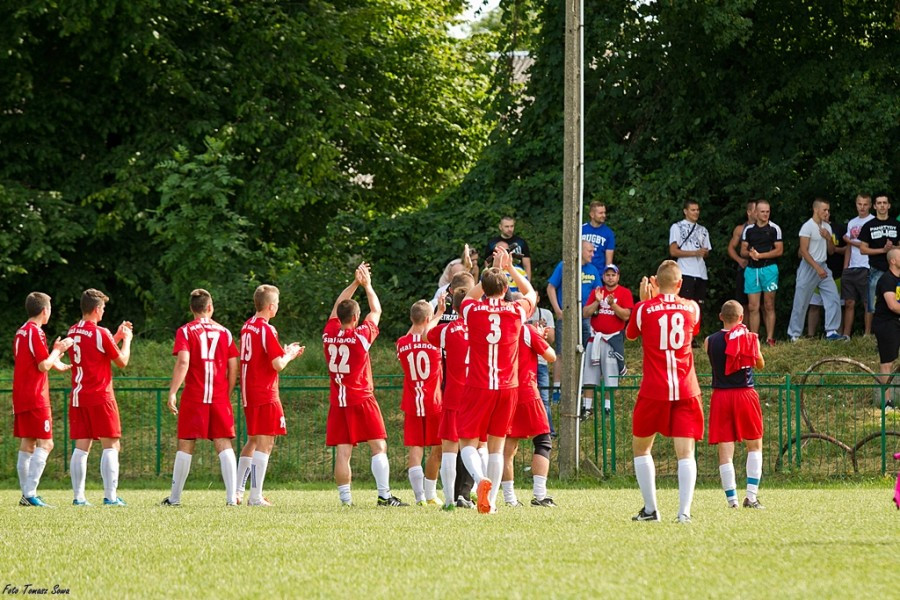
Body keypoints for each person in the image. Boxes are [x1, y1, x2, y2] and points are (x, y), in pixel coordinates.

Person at [458, 247, 536, 514]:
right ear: (505, 290)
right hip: (508, 387)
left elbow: (469, 295)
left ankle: (481, 482)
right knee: (497, 445)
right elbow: (531, 294)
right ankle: (489, 505)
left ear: (484, 286)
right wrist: (510, 269)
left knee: (467, 442)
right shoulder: (515, 312)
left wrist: (492, 274)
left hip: (478, 384)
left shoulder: (472, 310)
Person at [322, 263, 406, 507]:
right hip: (361, 397)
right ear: (356, 318)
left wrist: (354, 284)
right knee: (378, 445)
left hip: (339, 400)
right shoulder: (359, 336)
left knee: (343, 452)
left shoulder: (328, 334)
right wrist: (367, 285)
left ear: (339, 317)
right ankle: (384, 495)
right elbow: (376, 310)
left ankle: (346, 501)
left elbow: (336, 308)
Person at [625, 260, 703, 523]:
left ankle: (650, 509)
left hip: (654, 388)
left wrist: (644, 302)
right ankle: (684, 513)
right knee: (686, 453)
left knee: (641, 449)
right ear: (680, 284)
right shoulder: (692, 307)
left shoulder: (643, 309)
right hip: (685, 387)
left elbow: (632, 335)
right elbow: (691, 327)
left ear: (655, 283)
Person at [162, 289, 239, 507]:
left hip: (194, 395)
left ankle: (175, 499)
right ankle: (231, 499)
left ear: (192, 309)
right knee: (223, 443)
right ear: (210, 308)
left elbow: (183, 362)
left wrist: (173, 392)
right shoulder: (224, 332)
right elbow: (234, 365)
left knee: (186, 443)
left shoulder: (185, 331)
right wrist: (227, 390)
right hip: (218, 396)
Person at [235, 285, 305, 506]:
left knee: (254, 440)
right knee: (266, 442)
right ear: (271, 306)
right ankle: (255, 496)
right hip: (264, 391)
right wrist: (291, 354)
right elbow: (278, 364)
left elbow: (261, 356)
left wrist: (283, 352)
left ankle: (237, 491)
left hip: (249, 391)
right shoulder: (267, 329)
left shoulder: (247, 326)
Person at [67, 289, 133, 506]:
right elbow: (121, 360)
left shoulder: (72, 331)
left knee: (81, 447)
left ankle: (79, 497)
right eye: (103, 308)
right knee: (111, 445)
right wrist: (127, 340)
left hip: (79, 396)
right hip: (100, 395)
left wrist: (116, 336)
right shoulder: (100, 332)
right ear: (96, 309)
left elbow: (94, 353)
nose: (104, 312)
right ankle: (110, 497)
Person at [12, 292, 72, 507]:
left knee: (28, 442)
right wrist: (58, 350)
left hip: (21, 393)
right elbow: (42, 365)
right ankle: (30, 494)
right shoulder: (36, 333)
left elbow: (34, 361)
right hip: (36, 395)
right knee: (46, 443)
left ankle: (27, 494)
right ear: (45, 311)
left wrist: (56, 361)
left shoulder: (21, 331)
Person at [704, 300, 766, 509]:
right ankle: (751, 496)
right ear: (741, 318)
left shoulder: (709, 341)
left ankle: (732, 501)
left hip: (721, 395)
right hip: (745, 393)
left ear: (721, 317)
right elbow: (759, 363)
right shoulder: (750, 339)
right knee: (754, 445)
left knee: (725, 449)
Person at [427, 282, 476, 510]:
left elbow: (429, 334)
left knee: (449, 448)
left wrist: (439, 313)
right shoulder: (481, 328)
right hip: (476, 393)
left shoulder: (447, 330)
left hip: (453, 393)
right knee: (477, 446)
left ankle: (449, 499)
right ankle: (474, 491)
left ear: (453, 308)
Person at [501, 316, 557, 508]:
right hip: (526, 390)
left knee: (507, 448)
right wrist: (539, 338)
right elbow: (551, 356)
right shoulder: (527, 330)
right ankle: (539, 495)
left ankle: (509, 498)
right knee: (543, 440)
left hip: (503, 390)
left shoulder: (495, 329)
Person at [396, 300, 443, 506]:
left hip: (412, 401)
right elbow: (427, 333)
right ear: (427, 319)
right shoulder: (435, 342)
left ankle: (419, 498)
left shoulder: (402, 343)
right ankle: (431, 493)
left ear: (410, 318)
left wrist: (427, 316)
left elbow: (409, 338)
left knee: (415, 449)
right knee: (437, 449)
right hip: (433, 401)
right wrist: (440, 313)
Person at [786, 198, 845, 342]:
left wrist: (828, 238)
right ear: (816, 209)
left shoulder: (827, 227)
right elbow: (804, 252)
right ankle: (794, 334)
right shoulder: (807, 227)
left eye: (828, 210)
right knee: (801, 301)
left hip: (823, 266)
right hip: (809, 267)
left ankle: (831, 331)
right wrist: (817, 267)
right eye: (824, 210)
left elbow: (831, 251)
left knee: (833, 297)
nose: (827, 213)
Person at [547, 240, 601, 392]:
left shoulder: (593, 270)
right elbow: (551, 287)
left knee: (583, 352)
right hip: (566, 315)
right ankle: (558, 390)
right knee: (561, 352)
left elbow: (599, 293)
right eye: (589, 251)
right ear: (581, 250)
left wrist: (593, 309)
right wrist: (557, 310)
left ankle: (579, 388)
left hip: (585, 317)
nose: (592, 254)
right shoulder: (564, 266)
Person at [582, 264, 633, 418]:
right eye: (607, 275)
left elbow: (626, 315)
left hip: (612, 338)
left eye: (613, 275)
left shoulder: (624, 293)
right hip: (595, 338)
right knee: (589, 375)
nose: (610, 278)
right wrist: (597, 301)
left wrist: (613, 304)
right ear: (603, 277)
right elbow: (585, 313)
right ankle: (587, 408)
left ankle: (607, 408)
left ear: (618, 276)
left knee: (611, 376)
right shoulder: (596, 292)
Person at [741, 199, 783, 345]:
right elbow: (742, 250)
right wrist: (751, 254)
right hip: (752, 270)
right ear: (756, 213)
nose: (765, 214)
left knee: (769, 304)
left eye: (768, 212)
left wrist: (761, 256)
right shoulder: (748, 229)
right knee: (753, 307)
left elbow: (779, 250)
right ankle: (754, 339)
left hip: (769, 269)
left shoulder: (774, 229)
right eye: (762, 212)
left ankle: (770, 338)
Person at [859, 194, 898, 333]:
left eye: (884, 203)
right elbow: (862, 249)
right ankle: (868, 334)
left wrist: (892, 248)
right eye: (879, 203)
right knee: (872, 304)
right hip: (876, 269)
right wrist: (883, 249)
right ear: (874, 206)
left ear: (889, 205)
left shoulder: (896, 224)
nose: (882, 205)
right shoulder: (868, 226)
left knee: (896, 302)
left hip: (895, 271)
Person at [668, 200, 712, 310]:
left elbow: (707, 253)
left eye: (697, 210)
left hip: (701, 273)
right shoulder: (677, 227)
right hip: (685, 272)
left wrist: (704, 253)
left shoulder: (703, 230)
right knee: (683, 306)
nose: (696, 212)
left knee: (698, 307)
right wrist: (695, 253)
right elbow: (673, 251)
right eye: (693, 210)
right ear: (685, 211)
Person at [842, 194, 874, 337]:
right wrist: (845, 267)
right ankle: (846, 335)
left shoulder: (873, 222)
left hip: (867, 265)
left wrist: (849, 241)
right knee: (849, 302)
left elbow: (866, 245)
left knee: (867, 302)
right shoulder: (851, 222)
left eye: (865, 204)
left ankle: (867, 334)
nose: (862, 207)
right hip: (852, 266)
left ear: (870, 205)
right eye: (859, 204)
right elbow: (849, 247)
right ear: (855, 204)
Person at [807, 220, 847, 336]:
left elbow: (844, 249)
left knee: (837, 305)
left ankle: (837, 335)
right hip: (816, 273)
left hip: (836, 273)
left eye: (827, 211)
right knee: (814, 305)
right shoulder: (809, 228)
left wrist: (830, 240)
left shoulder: (839, 227)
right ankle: (810, 336)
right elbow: (801, 252)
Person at [872, 248, 900, 408]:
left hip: (897, 321)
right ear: (893, 261)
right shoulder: (887, 280)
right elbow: (893, 305)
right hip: (886, 323)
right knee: (887, 362)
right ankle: (886, 402)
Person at [526, 292, 556, 435]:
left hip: (541, 361)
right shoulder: (519, 312)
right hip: (524, 364)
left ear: (538, 298)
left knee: (544, 398)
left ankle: (548, 430)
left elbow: (551, 339)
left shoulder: (546, 313)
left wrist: (543, 332)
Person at [728, 201, 757, 311]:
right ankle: (744, 327)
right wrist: (739, 260)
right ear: (749, 212)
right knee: (743, 304)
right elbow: (731, 248)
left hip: (761, 268)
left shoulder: (767, 228)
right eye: (756, 210)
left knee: (763, 305)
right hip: (745, 268)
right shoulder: (740, 229)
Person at [484, 216, 532, 280]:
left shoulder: (521, 242)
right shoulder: (492, 243)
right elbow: (487, 265)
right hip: (499, 277)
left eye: (512, 226)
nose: (510, 229)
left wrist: (528, 283)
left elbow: (527, 265)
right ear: (500, 227)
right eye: (507, 226)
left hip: (518, 276)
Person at [582, 200, 615, 273]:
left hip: (598, 275)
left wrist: (606, 275)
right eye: (600, 213)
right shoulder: (581, 230)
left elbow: (609, 261)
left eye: (604, 212)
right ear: (592, 214)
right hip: (580, 273)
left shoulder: (608, 233)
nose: (604, 215)